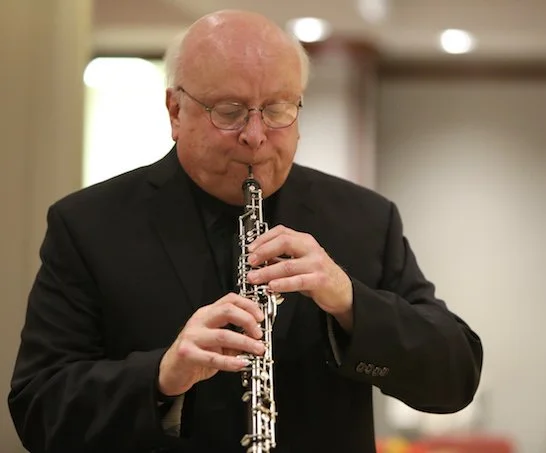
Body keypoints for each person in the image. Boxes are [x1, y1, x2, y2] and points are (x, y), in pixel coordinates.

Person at [7, 9, 483, 453]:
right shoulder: (90, 225)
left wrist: (351, 303)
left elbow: (456, 377)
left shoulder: (365, 219)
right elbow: (38, 409)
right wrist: (161, 376)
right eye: (229, 110)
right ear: (175, 111)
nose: (255, 136)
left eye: (277, 109)